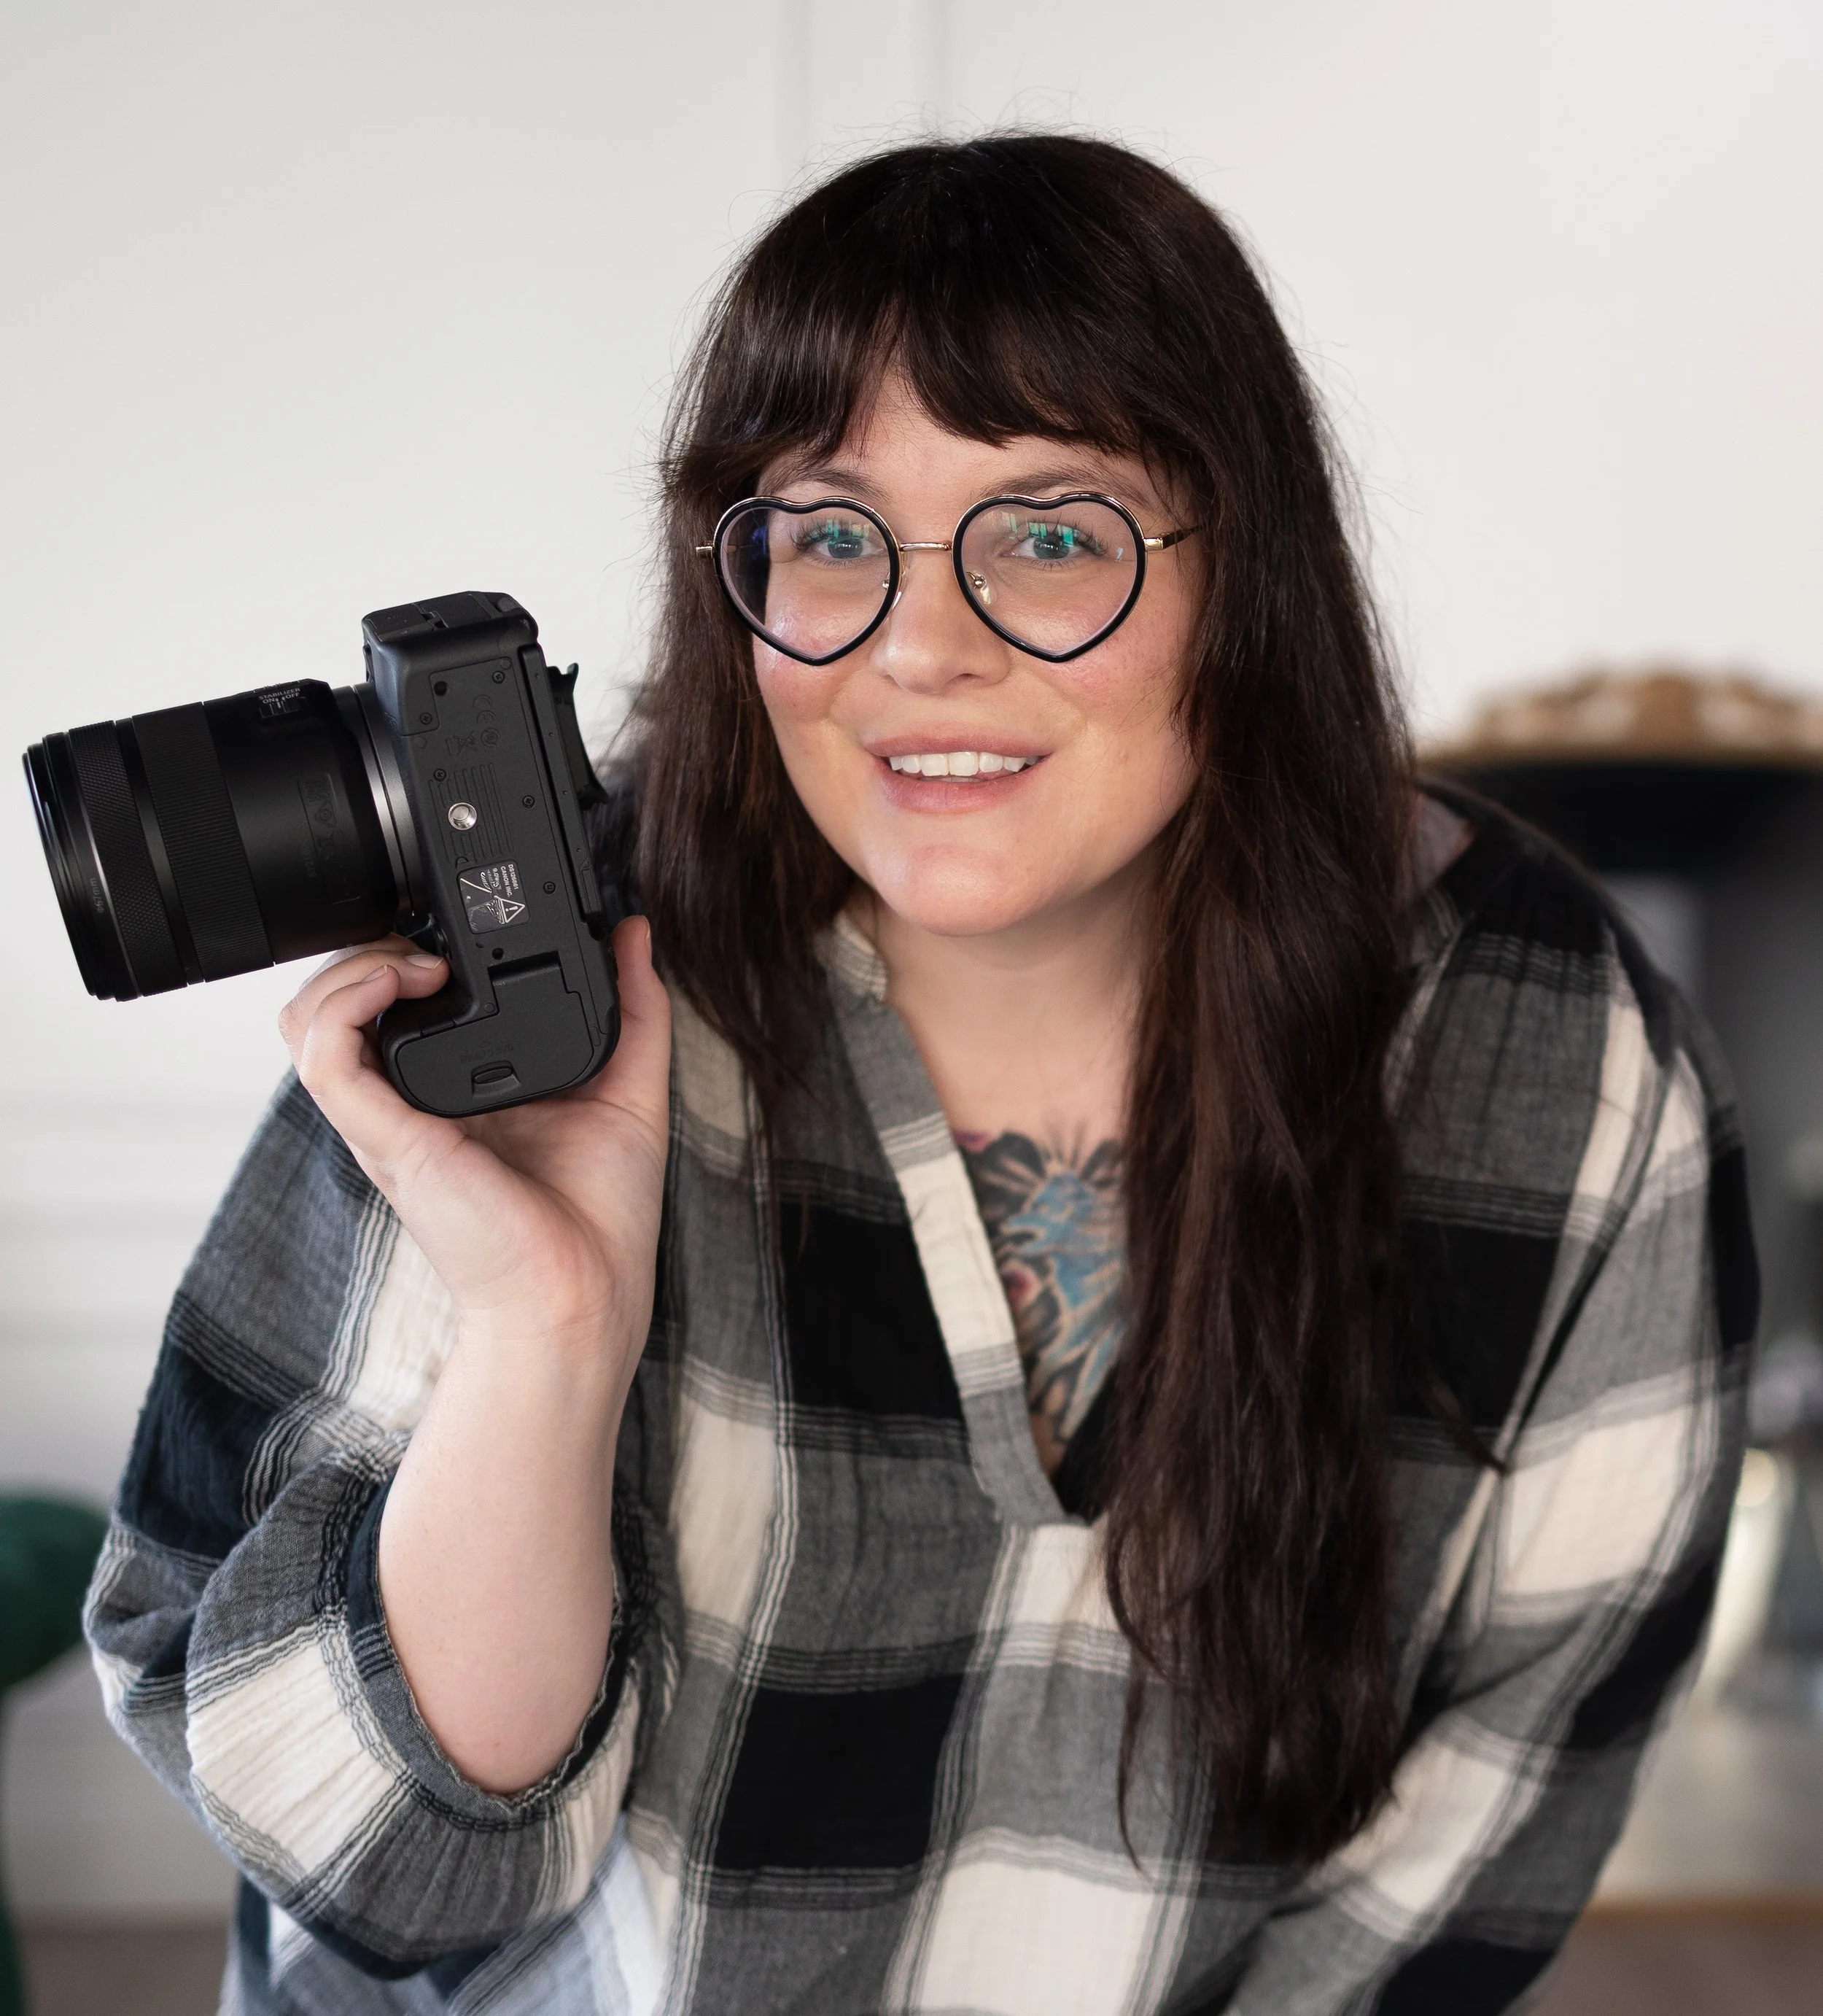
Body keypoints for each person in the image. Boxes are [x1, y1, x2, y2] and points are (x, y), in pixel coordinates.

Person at [87, 136, 1754, 2016]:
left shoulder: (1551, 1045)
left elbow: (1486, 1825)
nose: (922, 651)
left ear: (1248, 577)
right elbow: (385, 1873)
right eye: (830, 534)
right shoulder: (531, 978)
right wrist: (545, 1330)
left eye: (1053, 533)